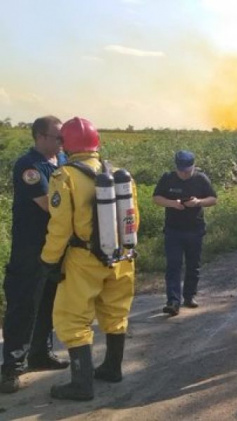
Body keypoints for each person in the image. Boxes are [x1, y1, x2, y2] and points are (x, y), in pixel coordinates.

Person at [41, 117, 140, 400]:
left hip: (84, 258)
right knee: (116, 312)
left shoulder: (64, 177)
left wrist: (49, 261)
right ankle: (112, 368)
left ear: (66, 144)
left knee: (72, 318)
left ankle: (81, 385)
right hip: (121, 256)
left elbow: (59, 227)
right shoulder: (122, 175)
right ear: (97, 143)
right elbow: (133, 220)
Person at [1, 116, 69, 393]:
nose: (61, 142)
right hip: (30, 248)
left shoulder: (62, 161)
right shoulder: (29, 166)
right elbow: (48, 205)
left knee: (49, 302)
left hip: (55, 246)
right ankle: (12, 367)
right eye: (57, 137)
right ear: (40, 137)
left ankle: (41, 353)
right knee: (23, 303)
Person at [153, 150, 218, 316]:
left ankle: (189, 296)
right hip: (173, 230)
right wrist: (172, 203)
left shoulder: (200, 179)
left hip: (195, 230)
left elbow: (213, 199)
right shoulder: (167, 178)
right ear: (176, 167)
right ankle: (173, 301)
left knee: (193, 265)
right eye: (181, 171)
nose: (184, 174)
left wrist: (198, 202)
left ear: (193, 166)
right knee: (173, 265)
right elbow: (156, 198)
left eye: (187, 171)